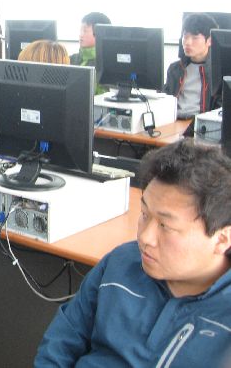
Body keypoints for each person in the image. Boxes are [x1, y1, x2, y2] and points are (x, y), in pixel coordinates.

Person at [35, 139, 231, 367]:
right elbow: (61, 342)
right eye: (145, 214)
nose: (145, 237)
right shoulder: (121, 263)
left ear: (222, 240)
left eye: (165, 226)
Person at [164, 12, 219, 119]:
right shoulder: (175, 69)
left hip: (200, 123)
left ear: (209, 41)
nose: (188, 42)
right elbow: (165, 99)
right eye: (185, 37)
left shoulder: (217, 72)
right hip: (173, 120)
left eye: (195, 38)